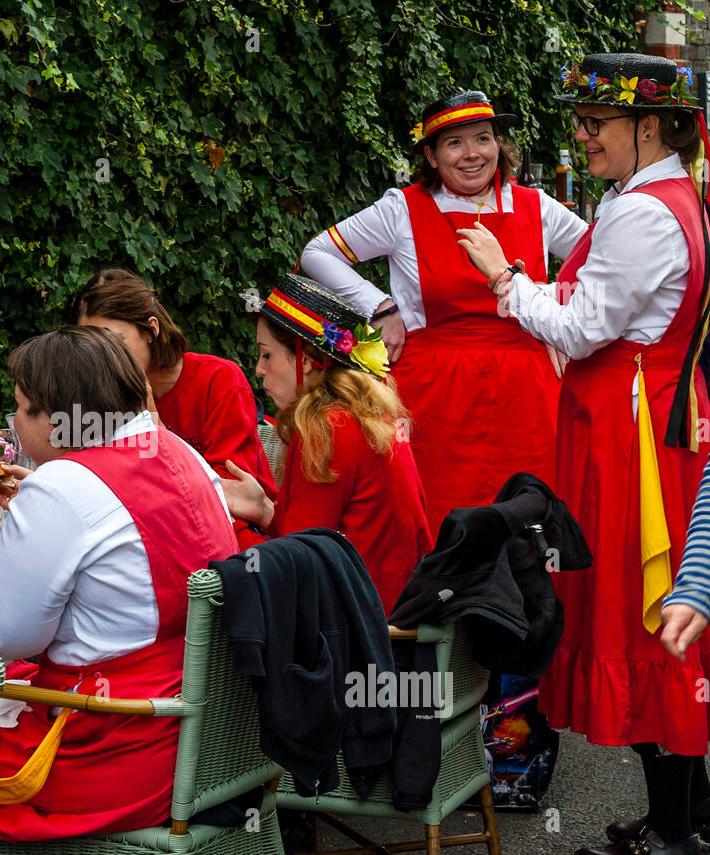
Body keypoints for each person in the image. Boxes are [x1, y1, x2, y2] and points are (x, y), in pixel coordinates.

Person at [459, 52, 710, 855]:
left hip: (632, 442)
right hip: (652, 424)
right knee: (655, 607)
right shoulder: (662, 198)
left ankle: (674, 836)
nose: (581, 135)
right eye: (580, 121)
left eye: (595, 123)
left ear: (648, 126)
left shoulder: (643, 214)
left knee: (639, 609)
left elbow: (580, 327)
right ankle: (694, 805)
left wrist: (504, 278)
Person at [0, 326, 238, 840]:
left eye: (20, 407)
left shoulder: (62, 487)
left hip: (114, 753)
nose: (13, 422)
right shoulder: (179, 452)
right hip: (208, 744)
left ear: (54, 417)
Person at [299, 90, 587, 534]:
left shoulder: (537, 206)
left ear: (500, 146)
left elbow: (601, 259)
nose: (472, 154)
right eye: (455, 143)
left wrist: (555, 310)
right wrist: (380, 307)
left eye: (483, 138)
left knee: (529, 519)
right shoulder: (401, 208)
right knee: (437, 520)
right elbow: (318, 252)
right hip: (435, 399)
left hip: (527, 398)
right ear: (431, 156)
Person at [218, 273, 433, 616]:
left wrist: (231, 527)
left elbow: (293, 571)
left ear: (303, 361)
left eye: (267, 355)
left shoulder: (325, 428)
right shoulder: (361, 415)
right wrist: (263, 510)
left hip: (357, 637)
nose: (259, 369)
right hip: (391, 624)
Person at [74, 267, 278, 548]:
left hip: (243, 542)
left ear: (150, 330)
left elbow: (232, 494)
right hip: (155, 535)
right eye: (91, 347)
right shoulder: (106, 395)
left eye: (113, 343)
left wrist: (152, 423)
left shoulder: (218, 380)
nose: (102, 359)